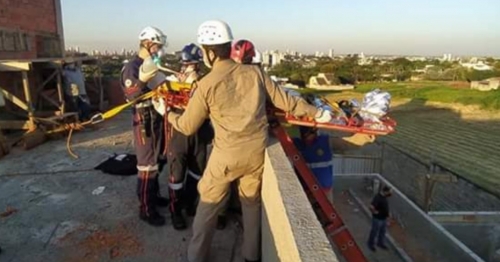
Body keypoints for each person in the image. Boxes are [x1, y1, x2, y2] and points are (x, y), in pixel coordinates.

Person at [166, 20, 331, 262]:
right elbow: (287, 102)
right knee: (251, 205)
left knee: (208, 204)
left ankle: (196, 257)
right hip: (255, 152)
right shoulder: (255, 73)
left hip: (226, 156)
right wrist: (318, 113)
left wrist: (168, 114)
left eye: (203, 51)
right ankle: (251, 256)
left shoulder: (206, 84)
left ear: (210, 52)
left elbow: (188, 126)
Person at [120, 26, 169, 227]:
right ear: (148, 44)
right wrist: (142, 80)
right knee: (147, 165)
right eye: (157, 46)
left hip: (155, 118)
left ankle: (154, 197)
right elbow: (131, 95)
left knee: (158, 159)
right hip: (144, 121)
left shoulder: (148, 64)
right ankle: (146, 209)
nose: (159, 50)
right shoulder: (132, 67)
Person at [166, 43, 214, 230]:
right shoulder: (174, 82)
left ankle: (188, 202)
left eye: (192, 65)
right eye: (186, 65)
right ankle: (175, 210)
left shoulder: (205, 82)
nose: (188, 68)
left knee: (196, 170)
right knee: (177, 174)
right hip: (179, 133)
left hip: (199, 133)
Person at [293, 126, 375, 202]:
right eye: (304, 135)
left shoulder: (325, 141)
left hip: (324, 190)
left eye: (308, 134)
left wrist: (366, 136)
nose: (306, 137)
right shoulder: (296, 144)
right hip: (305, 189)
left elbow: (346, 144)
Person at [368, 185, 392, 252]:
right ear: (385, 191)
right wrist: (375, 212)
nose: (390, 193)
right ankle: (371, 244)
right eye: (389, 192)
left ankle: (380, 243)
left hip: (383, 219)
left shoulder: (384, 197)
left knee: (382, 232)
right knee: (374, 232)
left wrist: (388, 214)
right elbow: (371, 206)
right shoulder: (377, 197)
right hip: (377, 219)